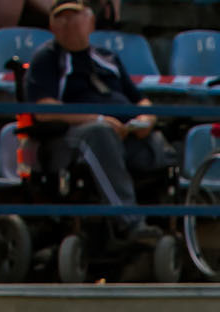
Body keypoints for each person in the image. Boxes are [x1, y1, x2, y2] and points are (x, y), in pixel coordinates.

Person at [22, 0, 170, 254]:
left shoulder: (107, 58)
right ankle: (130, 223)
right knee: (99, 134)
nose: (68, 23)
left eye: (74, 16)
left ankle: (170, 225)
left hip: (124, 133)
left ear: (90, 22)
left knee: (160, 143)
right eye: (61, 18)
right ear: (52, 26)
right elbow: (44, 109)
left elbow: (140, 99)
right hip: (70, 138)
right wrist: (97, 118)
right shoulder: (47, 59)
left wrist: (145, 119)